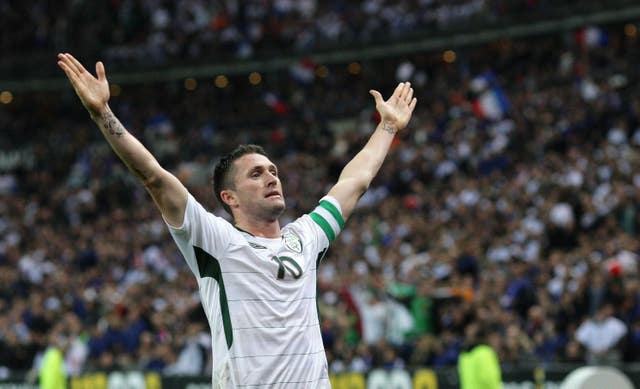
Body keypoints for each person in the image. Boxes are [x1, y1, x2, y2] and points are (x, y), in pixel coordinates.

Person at [57, 52, 417, 388]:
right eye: (257, 174)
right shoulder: (217, 242)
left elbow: (354, 181)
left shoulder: (306, 237)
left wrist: (387, 126)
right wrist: (102, 113)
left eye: (273, 170)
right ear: (229, 198)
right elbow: (154, 176)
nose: (272, 177)